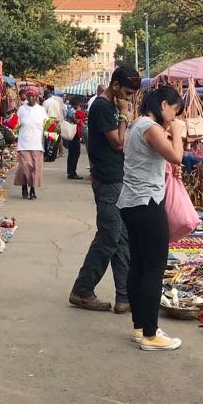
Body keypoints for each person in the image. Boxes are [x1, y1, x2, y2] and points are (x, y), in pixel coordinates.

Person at [69, 66, 141, 313]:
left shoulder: (108, 106)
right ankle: (82, 290)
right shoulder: (102, 107)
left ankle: (124, 296)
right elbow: (118, 143)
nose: (129, 98)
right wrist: (123, 114)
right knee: (109, 236)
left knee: (121, 238)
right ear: (116, 85)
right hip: (108, 179)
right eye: (128, 92)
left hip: (115, 178)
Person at [119, 85, 185, 351]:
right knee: (154, 268)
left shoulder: (137, 125)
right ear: (163, 105)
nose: (173, 117)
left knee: (139, 265)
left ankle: (139, 327)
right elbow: (176, 156)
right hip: (147, 202)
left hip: (132, 202)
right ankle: (150, 333)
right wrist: (177, 133)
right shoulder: (151, 127)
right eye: (174, 110)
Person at [14, 86, 47, 200]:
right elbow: (15, 124)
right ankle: (24, 186)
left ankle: (32, 190)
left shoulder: (41, 110)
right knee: (25, 167)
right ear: (26, 97)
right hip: (24, 142)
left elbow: (46, 124)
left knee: (35, 168)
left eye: (33, 96)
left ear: (37, 97)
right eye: (29, 96)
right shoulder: (21, 109)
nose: (31, 98)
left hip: (37, 143)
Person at [65, 96, 87, 180]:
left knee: (72, 154)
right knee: (75, 153)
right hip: (74, 134)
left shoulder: (70, 109)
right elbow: (76, 121)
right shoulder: (72, 111)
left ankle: (71, 171)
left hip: (74, 134)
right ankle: (72, 172)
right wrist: (79, 112)